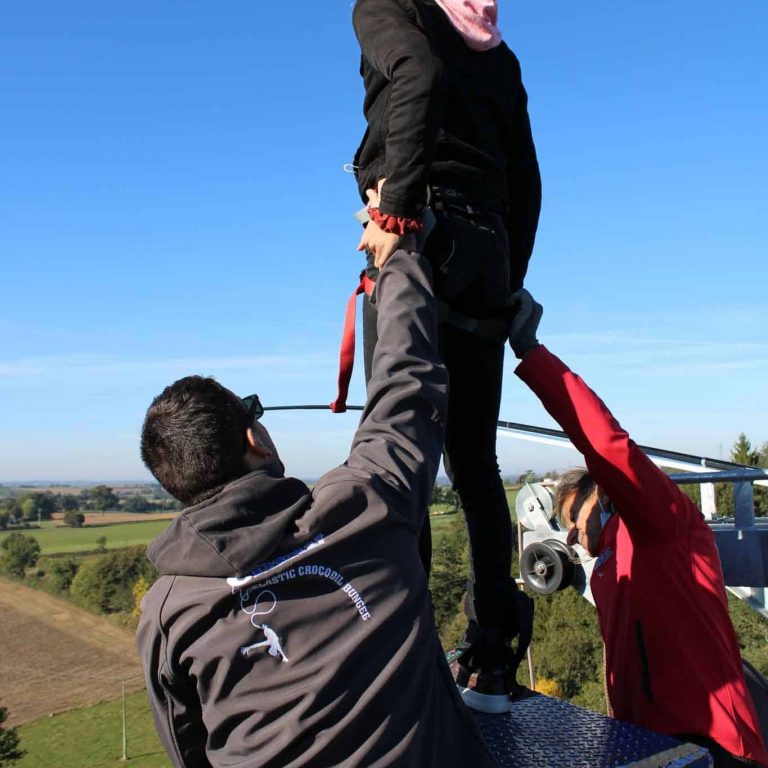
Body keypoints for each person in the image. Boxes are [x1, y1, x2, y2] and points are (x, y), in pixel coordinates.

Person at [135, 248, 500, 767]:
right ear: (254, 438)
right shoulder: (366, 503)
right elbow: (408, 384)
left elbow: (188, 749)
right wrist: (396, 257)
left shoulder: (168, 613)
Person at [351, 0, 541, 713]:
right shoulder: (499, 51)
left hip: (420, 240)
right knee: (474, 463)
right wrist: (508, 280)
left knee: (402, 456)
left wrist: (395, 211)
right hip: (485, 256)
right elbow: (526, 179)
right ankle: (490, 664)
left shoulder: (386, 7)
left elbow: (417, 70)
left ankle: (408, 665)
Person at [507, 290, 768, 768]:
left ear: (603, 496)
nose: (568, 537)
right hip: (653, 747)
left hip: (716, 745)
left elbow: (608, 446)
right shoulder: (610, 570)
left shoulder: (661, 529)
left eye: (571, 519)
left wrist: (532, 354)